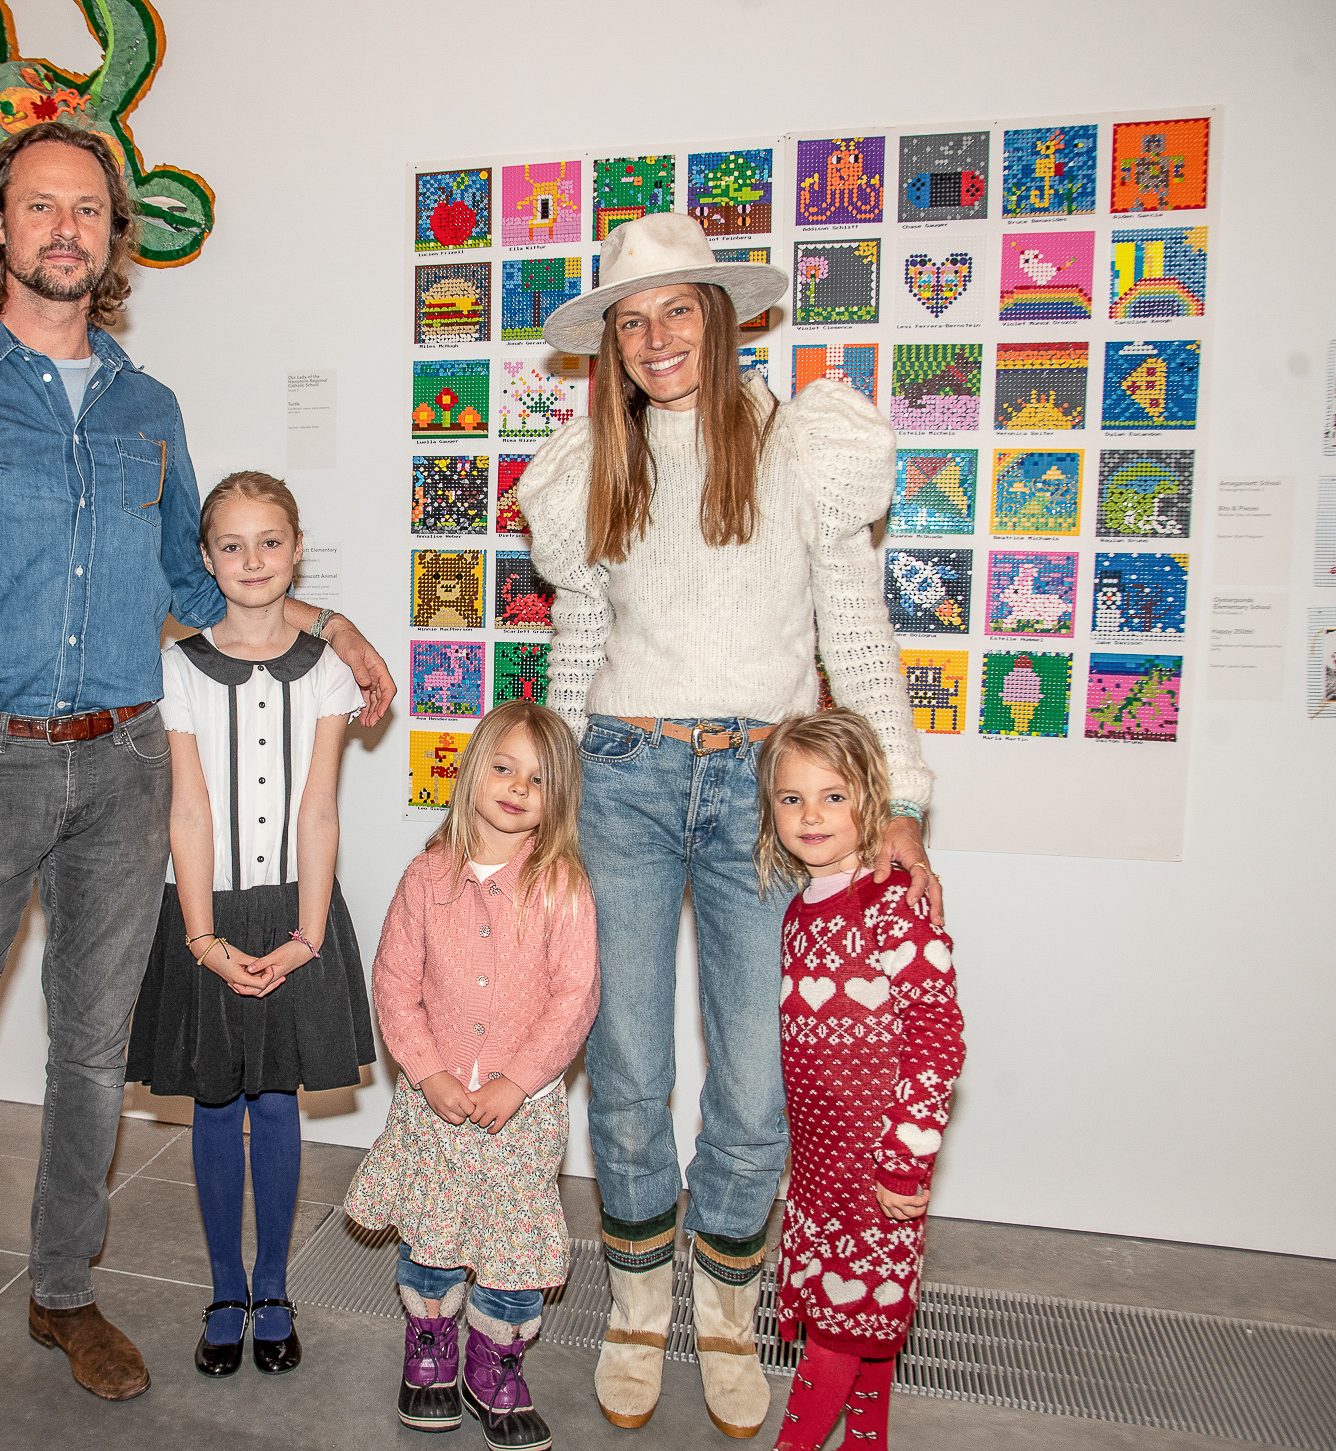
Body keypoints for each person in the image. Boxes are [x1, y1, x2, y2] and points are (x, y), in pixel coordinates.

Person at [0, 121, 391, 1451]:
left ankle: (64, 1289)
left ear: (116, 241)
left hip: (123, 772)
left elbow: (197, 586)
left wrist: (325, 620)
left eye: (91, 211)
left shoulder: (148, 409)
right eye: (42, 206)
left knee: (90, 1061)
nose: (67, 228)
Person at [517, 212, 941, 1438]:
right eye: (629, 320)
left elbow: (854, 634)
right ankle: (640, 1300)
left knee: (756, 1089)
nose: (653, 338)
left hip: (770, 790)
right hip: (627, 777)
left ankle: (726, 1302)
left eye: (675, 311)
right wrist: (549, 786)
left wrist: (897, 800)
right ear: (609, 340)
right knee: (632, 1074)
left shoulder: (803, 442)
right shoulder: (597, 459)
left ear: (725, 313)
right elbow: (580, 642)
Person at [125, 471, 374, 1380]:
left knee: (276, 1099)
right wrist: (200, 938)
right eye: (230, 544)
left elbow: (320, 810)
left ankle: (274, 1286)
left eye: (270, 541)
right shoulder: (178, 665)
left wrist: (308, 936)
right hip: (204, 913)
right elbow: (186, 811)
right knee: (214, 1098)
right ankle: (224, 1288)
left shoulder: (332, 668)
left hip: (294, 913)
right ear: (205, 558)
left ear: (297, 549)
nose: (252, 560)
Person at [345, 700, 599, 1451]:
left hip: (525, 1111)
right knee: (434, 1232)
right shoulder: (426, 879)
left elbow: (575, 995)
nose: (518, 786)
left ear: (559, 800)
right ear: (472, 770)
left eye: (539, 779)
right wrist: (427, 1073)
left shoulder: (562, 886)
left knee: (512, 1242)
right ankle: (429, 1349)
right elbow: (394, 983)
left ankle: (498, 1358)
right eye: (504, 766)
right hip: (437, 1107)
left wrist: (518, 1080)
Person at [756, 712, 964, 1451]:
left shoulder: (894, 903)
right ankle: (866, 1439)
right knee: (858, 1315)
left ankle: (797, 1442)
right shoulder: (798, 912)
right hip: (819, 1164)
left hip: (878, 1161)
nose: (810, 815)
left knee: (843, 1325)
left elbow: (937, 1039)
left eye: (833, 796)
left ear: (872, 798)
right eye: (791, 798)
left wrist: (905, 1157)